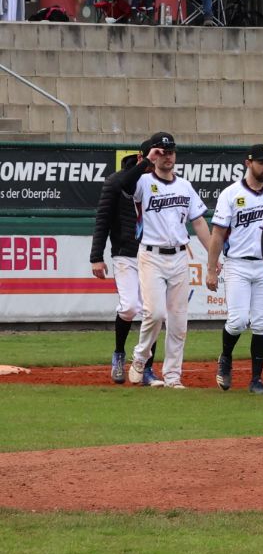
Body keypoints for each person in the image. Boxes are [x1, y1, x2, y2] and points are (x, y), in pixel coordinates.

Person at [126, 133, 210, 388]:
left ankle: (173, 375)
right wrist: (145, 162)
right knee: (155, 313)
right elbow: (122, 184)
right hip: (151, 255)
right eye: (161, 151)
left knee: (178, 320)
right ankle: (140, 357)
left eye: (170, 151)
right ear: (153, 154)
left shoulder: (184, 186)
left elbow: (198, 221)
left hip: (179, 256)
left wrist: (213, 256)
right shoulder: (142, 181)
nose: (167, 156)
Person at [204, 144, 263, 394]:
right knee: (237, 321)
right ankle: (225, 357)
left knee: (261, 324)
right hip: (237, 263)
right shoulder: (231, 194)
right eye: (261, 162)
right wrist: (211, 269)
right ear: (248, 163)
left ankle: (256, 379)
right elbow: (217, 234)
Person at [90, 153, 147, 385]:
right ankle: (119, 354)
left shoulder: (162, 182)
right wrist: (96, 256)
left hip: (153, 255)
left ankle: (145, 365)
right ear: (143, 156)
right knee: (130, 307)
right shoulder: (116, 181)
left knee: (152, 312)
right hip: (125, 253)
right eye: (155, 153)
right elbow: (103, 219)